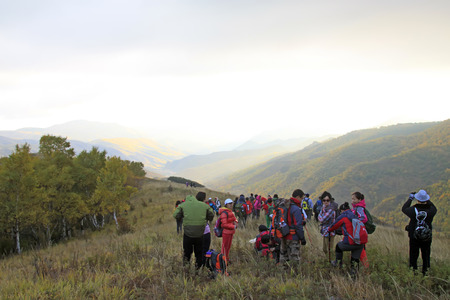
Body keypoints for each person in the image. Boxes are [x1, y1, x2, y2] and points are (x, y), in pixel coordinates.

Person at [173, 192, 214, 270]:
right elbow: (211, 215)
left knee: (187, 254)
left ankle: (186, 270)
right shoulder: (204, 205)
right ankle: (198, 270)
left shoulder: (183, 205)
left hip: (188, 234)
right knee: (199, 253)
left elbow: (176, 215)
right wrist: (205, 219)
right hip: (200, 234)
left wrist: (182, 217)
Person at [402, 190, 437, 275]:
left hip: (414, 237)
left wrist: (410, 198)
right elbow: (434, 207)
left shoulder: (413, 210)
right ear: (426, 199)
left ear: (417, 199)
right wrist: (427, 200)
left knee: (413, 256)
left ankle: (413, 273)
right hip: (427, 237)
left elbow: (404, 209)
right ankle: (425, 274)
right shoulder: (431, 211)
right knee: (426, 256)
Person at [327, 202, 366, 276]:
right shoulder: (354, 215)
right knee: (354, 260)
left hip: (350, 241)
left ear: (342, 210)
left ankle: (338, 263)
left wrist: (329, 230)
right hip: (360, 242)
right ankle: (354, 276)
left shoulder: (343, 216)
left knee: (338, 246)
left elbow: (333, 226)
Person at [279, 196, 307, 264]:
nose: (302, 200)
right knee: (294, 258)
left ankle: (284, 272)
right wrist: (302, 238)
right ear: (298, 197)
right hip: (293, 237)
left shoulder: (285, 206)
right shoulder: (295, 208)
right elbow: (298, 225)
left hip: (283, 235)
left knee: (284, 257)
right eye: (301, 198)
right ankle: (294, 273)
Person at [318, 191, 336, 261]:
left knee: (329, 249)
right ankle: (327, 260)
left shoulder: (331, 209)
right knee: (324, 249)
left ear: (330, 200)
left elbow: (322, 219)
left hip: (330, 231)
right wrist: (321, 217)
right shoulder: (323, 207)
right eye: (324, 200)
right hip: (324, 230)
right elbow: (320, 217)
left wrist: (321, 217)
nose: (326, 202)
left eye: (327, 200)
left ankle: (332, 261)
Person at [220, 199, 238, 263]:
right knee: (224, 247)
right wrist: (233, 226)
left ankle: (226, 259)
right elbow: (224, 224)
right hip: (226, 232)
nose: (231, 205)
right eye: (229, 203)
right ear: (226, 204)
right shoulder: (224, 213)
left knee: (228, 247)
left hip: (230, 232)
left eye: (231, 203)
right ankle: (222, 260)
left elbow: (234, 219)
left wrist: (236, 222)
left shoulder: (230, 212)